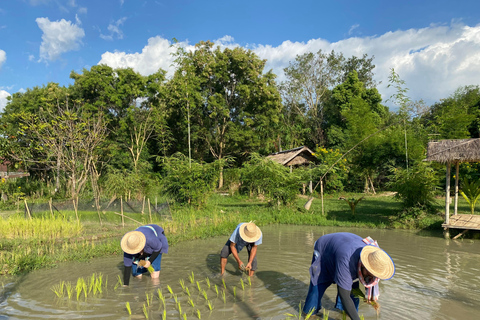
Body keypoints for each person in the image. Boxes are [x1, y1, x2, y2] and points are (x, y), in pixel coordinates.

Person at [303, 232, 395, 320]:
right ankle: (310, 313)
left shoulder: (375, 257)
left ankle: (344, 311)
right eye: (370, 274)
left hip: (346, 245)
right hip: (325, 249)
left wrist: (371, 297)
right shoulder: (347, 261)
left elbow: (370, 279)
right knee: (319, 284)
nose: (371, 278)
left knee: (353, 291)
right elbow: (344, 295)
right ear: (364, 265)